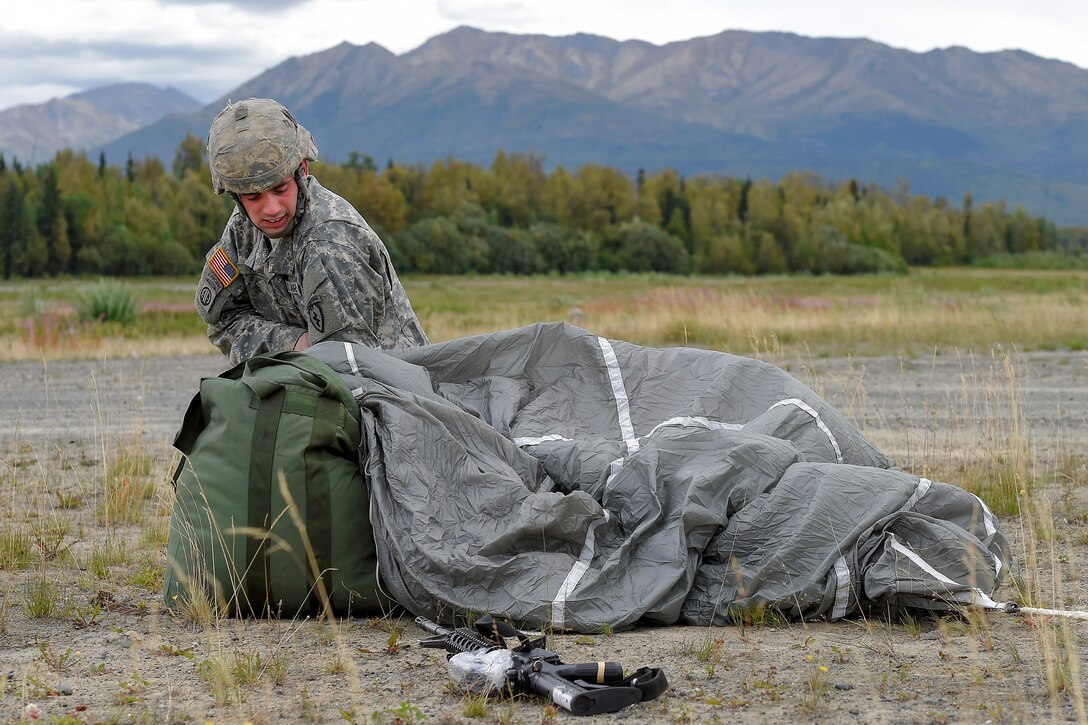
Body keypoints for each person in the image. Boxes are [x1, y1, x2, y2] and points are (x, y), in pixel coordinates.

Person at [195, 97, 428, 365]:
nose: (270, 209)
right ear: (235, 195)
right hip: (306, 383)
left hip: (390, 393)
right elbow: (223, 321)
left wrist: (299, 354)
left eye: (280, 189)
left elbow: (351, 365)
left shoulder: (331, 241)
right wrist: (294, 344)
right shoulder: (241, 231)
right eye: (253, 197)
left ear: (302, 171)